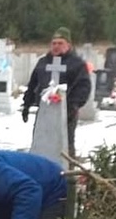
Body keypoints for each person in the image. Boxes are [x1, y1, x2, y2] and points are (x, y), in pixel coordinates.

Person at [22, 27, 92, 158]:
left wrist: (73, 105)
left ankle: (67, 171)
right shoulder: (43, 63)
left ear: (68, 45)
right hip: (44, 111)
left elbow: (83, 87)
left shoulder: (77, 64)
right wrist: (26, 104)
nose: (56, 46)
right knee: (41, 141)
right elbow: (33, 84)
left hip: (67, 112)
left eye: (60, 43)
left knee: (65, 144)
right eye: (54, 43)